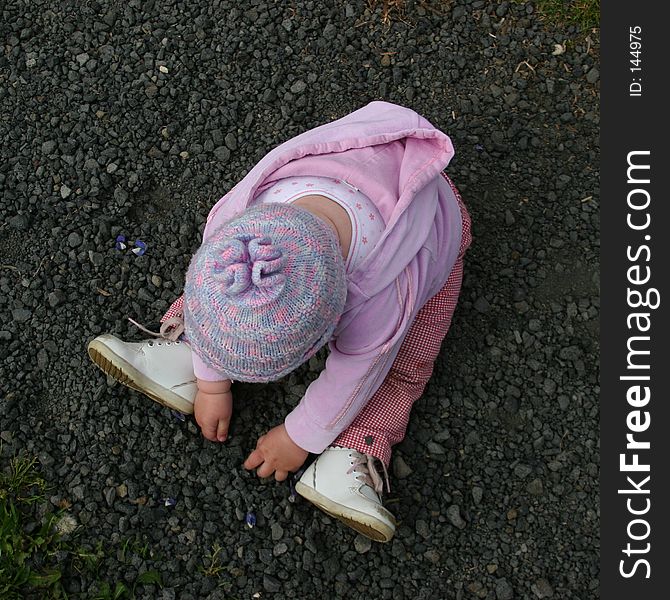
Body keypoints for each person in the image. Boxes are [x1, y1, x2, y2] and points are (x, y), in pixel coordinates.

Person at [87, 101, 471, 542]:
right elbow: (219, 284)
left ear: (328, 329)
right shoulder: (235, 219)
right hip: (353, 174)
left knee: (403, 363)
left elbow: (354, 371)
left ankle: (358, 445)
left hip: (435, 224)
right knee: (236, 287)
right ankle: (191, 345)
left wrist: (300, 435)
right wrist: (213, 383)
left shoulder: (385, 297)